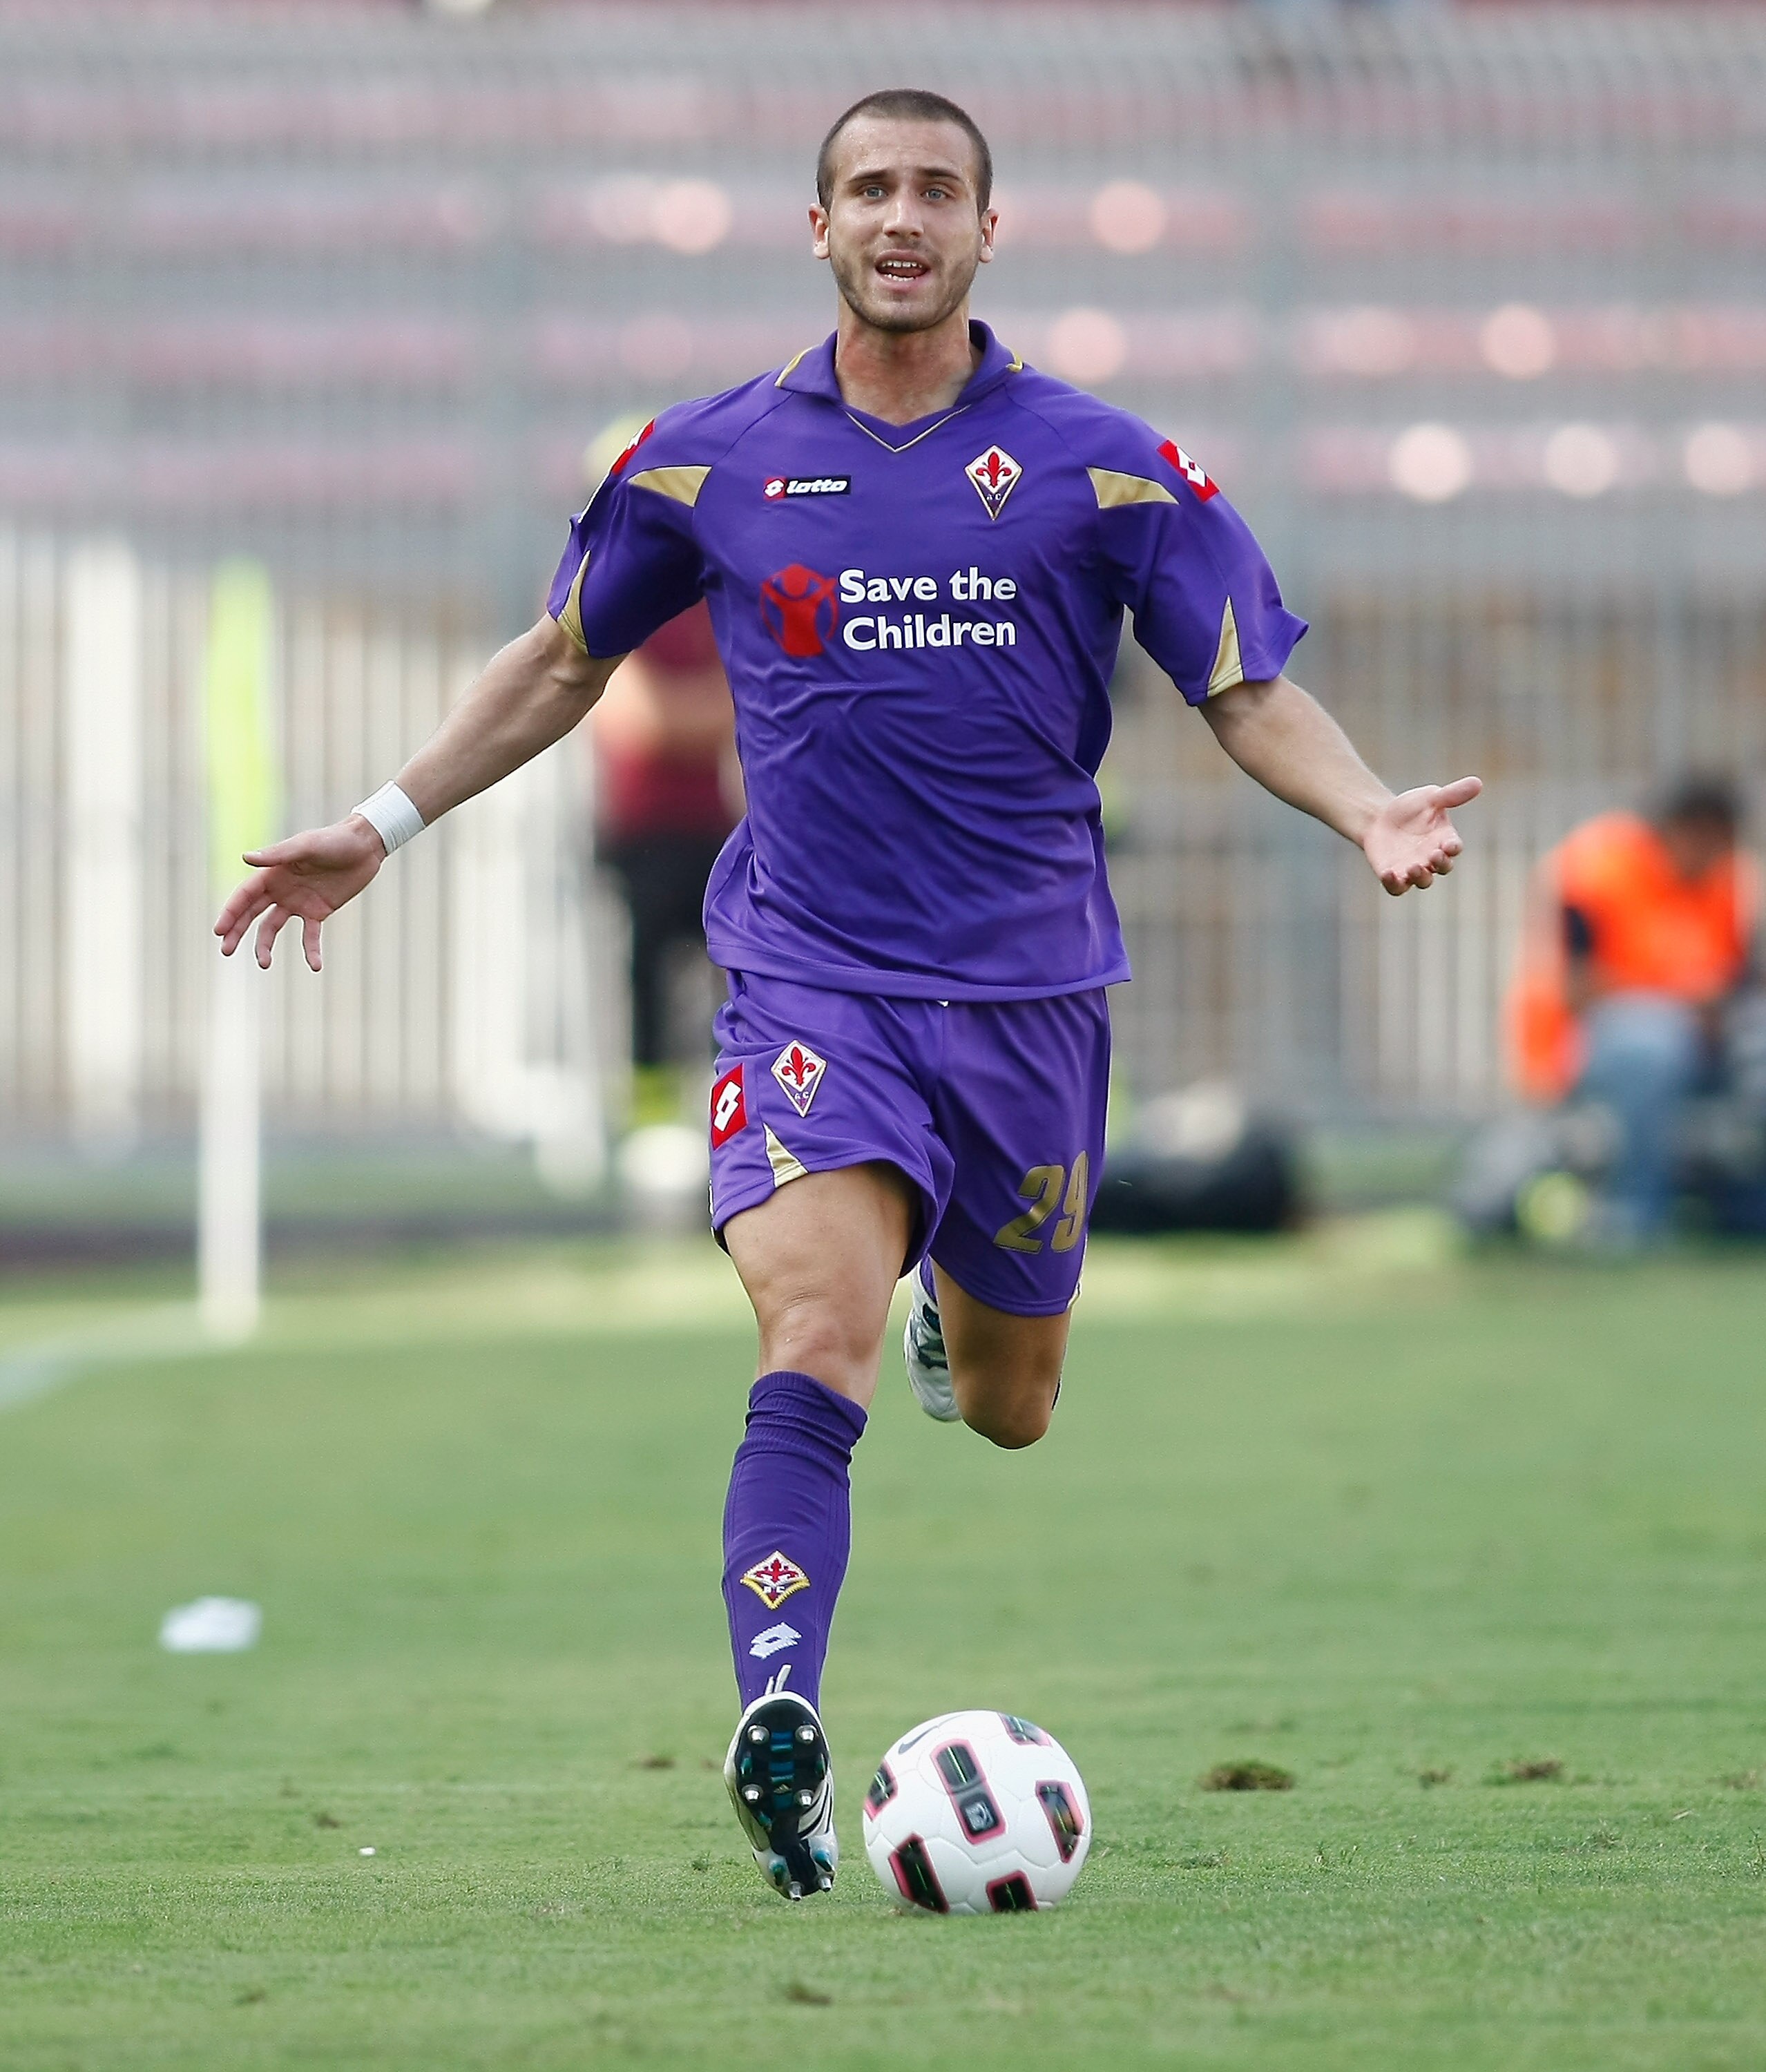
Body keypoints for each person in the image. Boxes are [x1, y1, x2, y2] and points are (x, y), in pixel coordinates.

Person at [215, 88, 1479, 1904]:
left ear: (987, 229)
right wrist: (381, 817)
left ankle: (956, 1335)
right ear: (817, 227)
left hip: (1035, 998)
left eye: (935, 192)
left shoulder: (1106, 464)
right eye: (868, 190)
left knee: (1017, 1402)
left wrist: (1364, 807)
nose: (901, 218)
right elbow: (562, 657)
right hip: (810, 979)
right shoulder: (706, 460)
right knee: (804, 1335)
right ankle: (781, 1731)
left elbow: (1237, 685)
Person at [1508, 778, 1756, 1243]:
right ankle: (1633, 1214)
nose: (1720, 859)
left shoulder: (1727, 881)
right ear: (1683, 831)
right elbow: (1575, 988)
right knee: (1649, 1042)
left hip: (1703, 1040)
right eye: (1711, 844)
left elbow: (1739, 981)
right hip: (1589, 1046)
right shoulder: (1596, 868)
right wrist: (1684, 999)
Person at [591, 600, 740, 1115]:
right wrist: (709, 708)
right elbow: (639, 719)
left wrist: (690, 712)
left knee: (735, 978)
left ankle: (731, 1109)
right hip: (640, 833)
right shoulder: (610, 592)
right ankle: (648, 1119)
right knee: (645, 977)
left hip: (721, 833)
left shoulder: (715, 599)